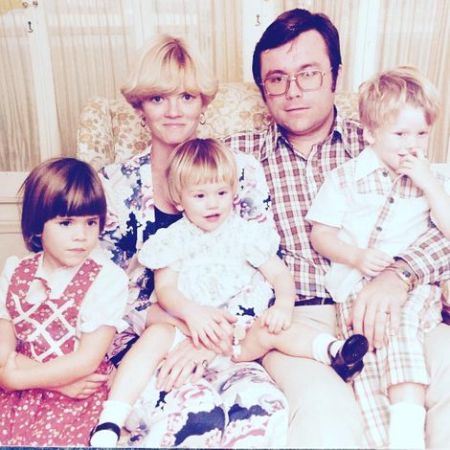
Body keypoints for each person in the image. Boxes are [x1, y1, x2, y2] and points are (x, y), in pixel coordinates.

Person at [224, 8, 450, 449]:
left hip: (399, 303)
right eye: (276, 79)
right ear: (262, 89)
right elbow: (191, 220)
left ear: (335, 76)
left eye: (308, 73)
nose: (292, 92)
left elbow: (443, 223)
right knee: (327, 426)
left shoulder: (388, 138)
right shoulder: (235, 158)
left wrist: (399, 273)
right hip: (299, 320)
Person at [90, 137, 369, 446]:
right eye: (200, 195)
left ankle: (333, 351)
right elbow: (166, 289)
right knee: (154, 337)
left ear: (234, 193)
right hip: (187, 330)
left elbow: (279, 275)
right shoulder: (173, 239)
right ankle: (110, 419)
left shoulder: (246, 233)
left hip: (238, 334)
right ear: (179, 200)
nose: (213, 203)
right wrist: (191, 315)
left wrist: (284, 306)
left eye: (221, 193)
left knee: (274, 328)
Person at [96, 35, 288, 447]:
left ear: (203, 103)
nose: (174, 110)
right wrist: (180, 325)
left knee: (262, 413)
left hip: (232, 339)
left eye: (186, 96)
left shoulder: (242, 172)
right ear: (139, 106)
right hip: (150, 343)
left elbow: (264, 269)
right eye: (158, 98)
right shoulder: (114, 185)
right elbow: (104, 290)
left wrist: (215, 338)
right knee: (191, 419)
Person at [306, 66, 450, 449]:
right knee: (365, 360)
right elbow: (321, 234)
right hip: (353, 289)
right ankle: (383, 436)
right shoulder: (345, 178)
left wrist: (431, 186)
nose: (412, 144)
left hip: (412, 290)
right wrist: (354, 256)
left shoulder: (436, 178)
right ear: (370, 133)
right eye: (400, 134)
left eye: (421, 133)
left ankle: (407, 428)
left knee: (396, 324)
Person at [0, 157, 128, 446]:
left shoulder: (106, 279)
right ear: (37, 224)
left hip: (76, 396)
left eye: (91, 222)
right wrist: (53, 384)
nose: (81, 236)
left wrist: (17, 379)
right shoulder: (16, 271)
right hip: (27, 390)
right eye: (66, 223)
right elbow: (2, 349)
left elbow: (86, 361)